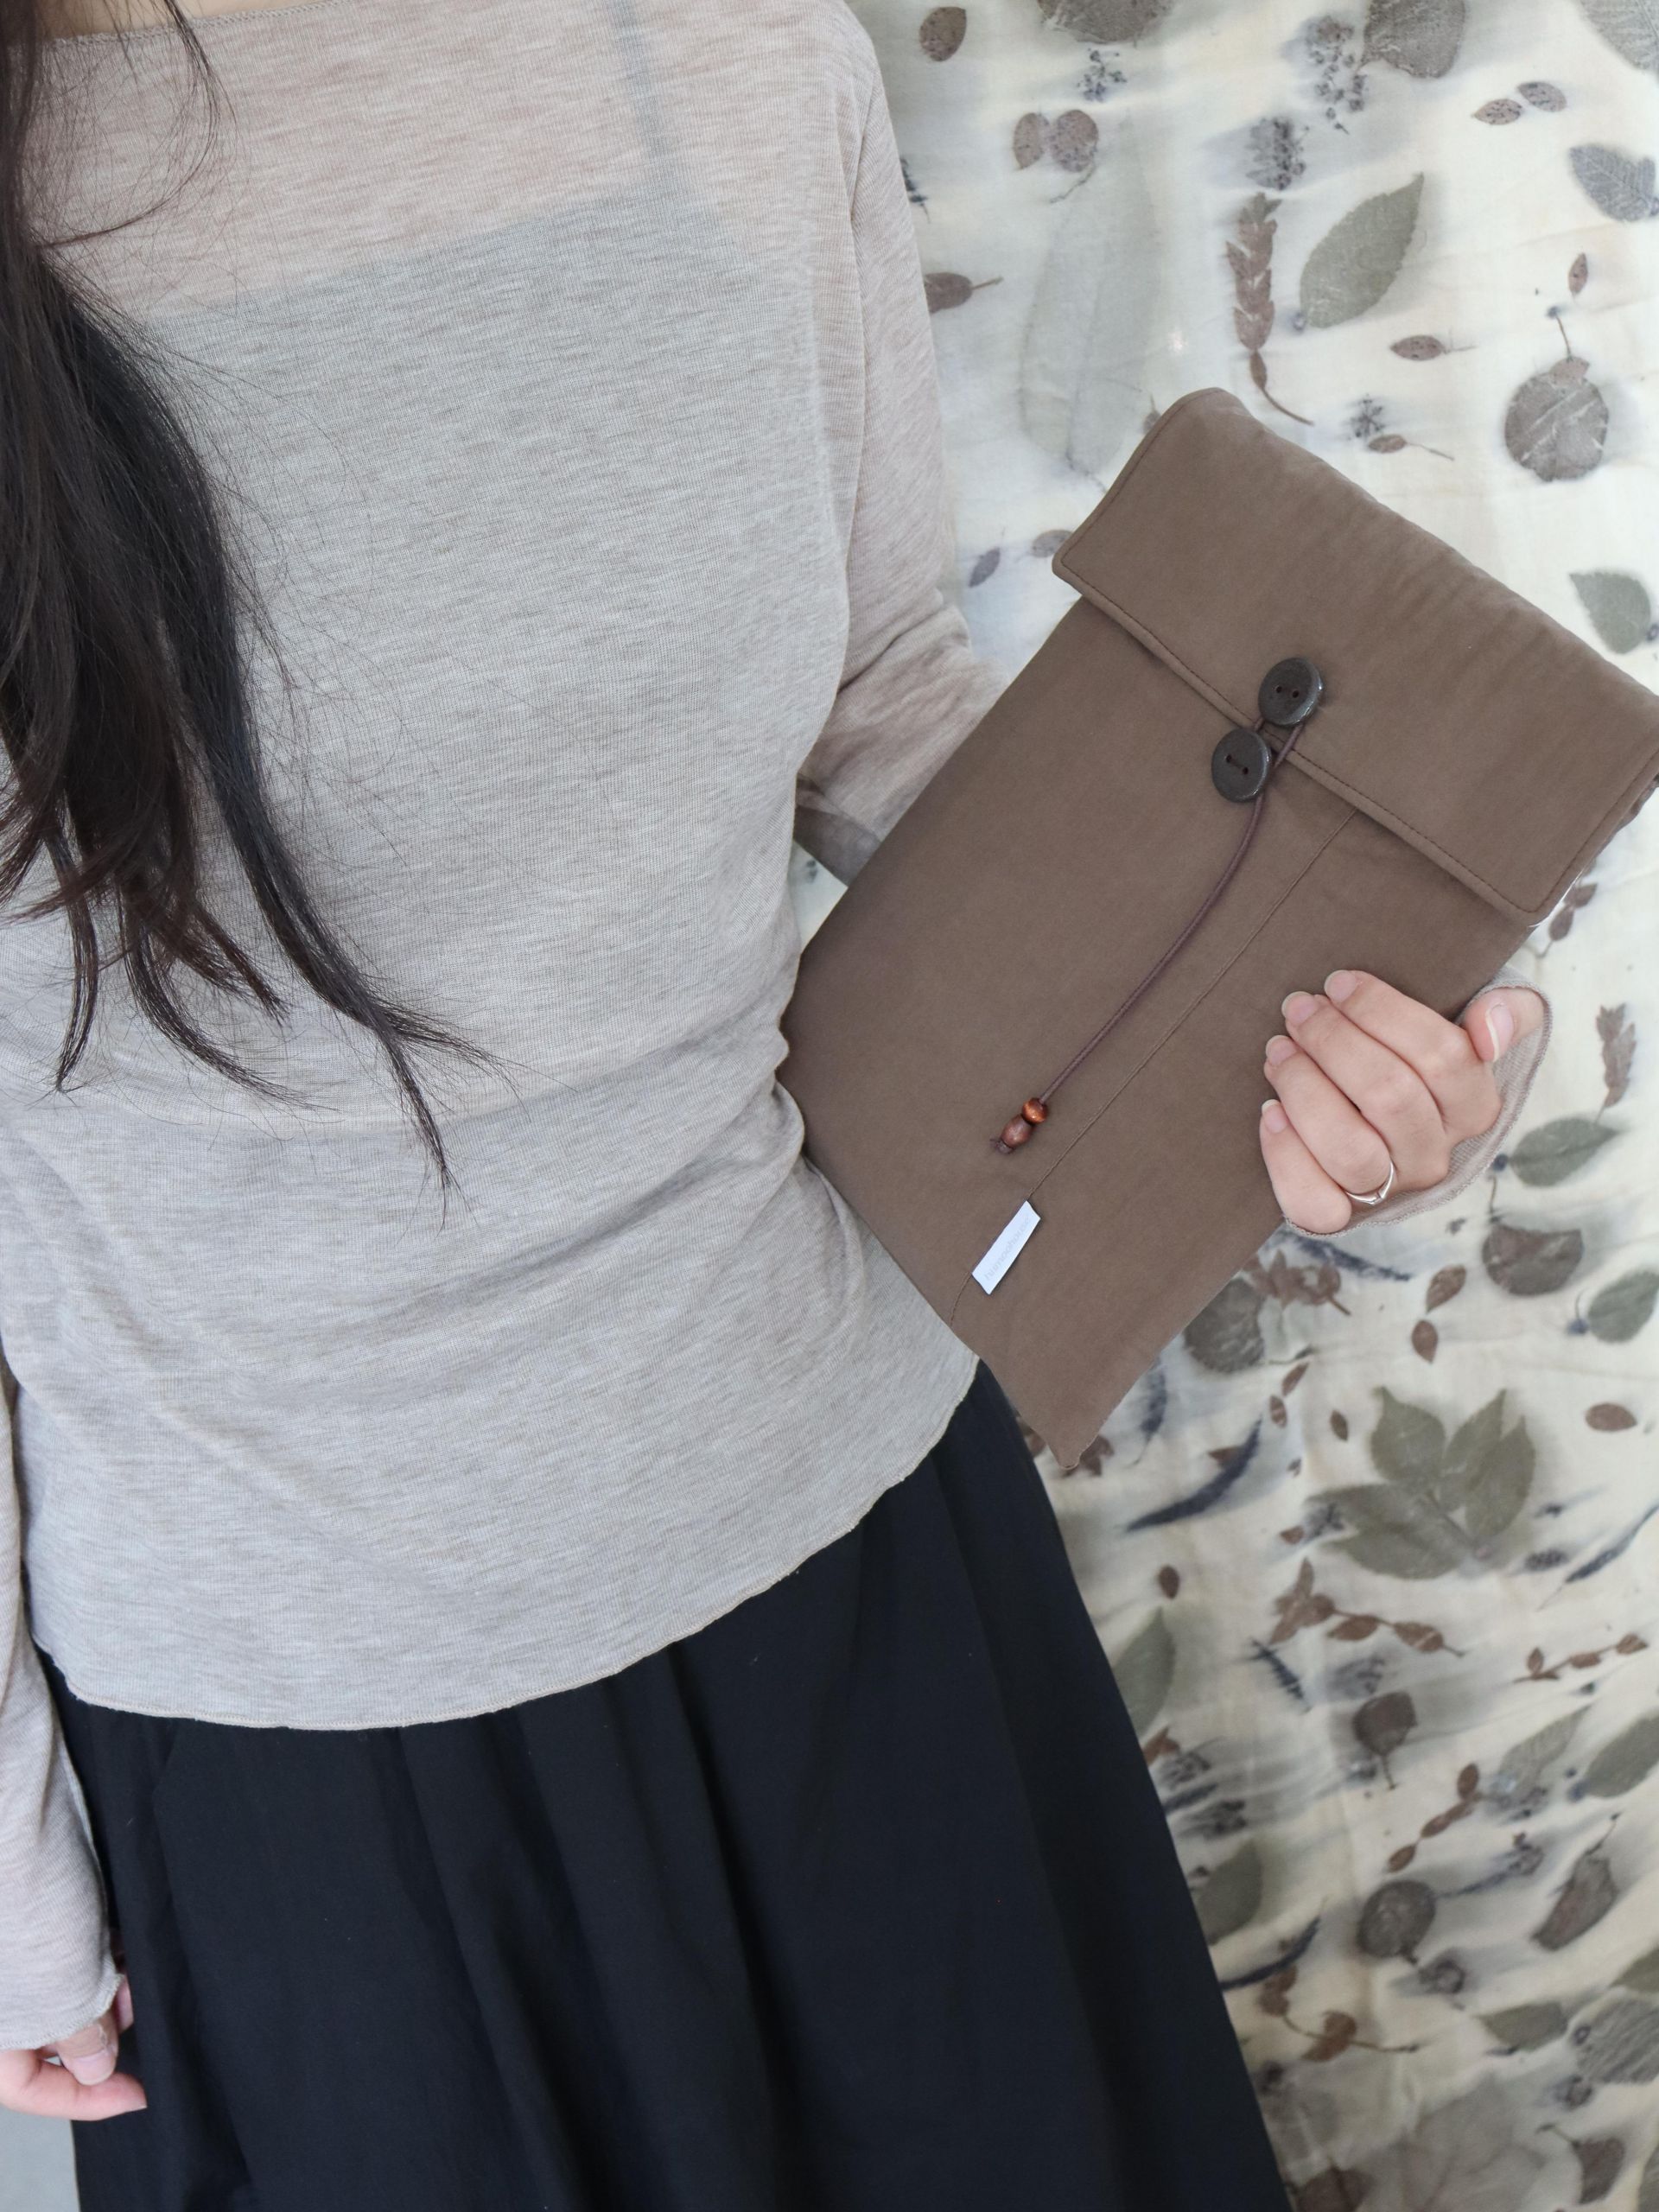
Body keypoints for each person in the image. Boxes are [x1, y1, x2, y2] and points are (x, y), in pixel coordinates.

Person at [0, 0, 1548, 2205]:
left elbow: (877, 701)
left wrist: (1336, 1025)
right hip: (296, 1764)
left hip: (871, 1584)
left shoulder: (718, 42)